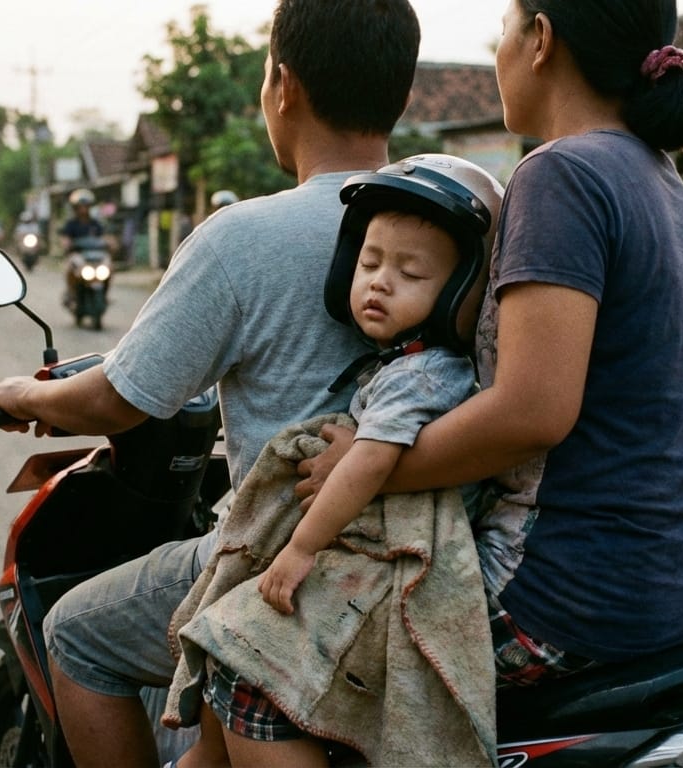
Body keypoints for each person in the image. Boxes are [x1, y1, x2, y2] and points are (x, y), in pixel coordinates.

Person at [0, 2, 421, 765]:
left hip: (276, 550)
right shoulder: (445, 218)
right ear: (403, 93)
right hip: (414, 548)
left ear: (283, 85)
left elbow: (118, 397)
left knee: (74, 634)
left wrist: (24, 395)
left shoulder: (242, 238)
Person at [298, 0, 683, 695]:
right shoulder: (661, 177)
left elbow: (532, 412)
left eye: (503, 30)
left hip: (562, 598)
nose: (498, 51)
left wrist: (366, 467)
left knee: (256, 663)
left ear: (541, 38)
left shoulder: (561, 173)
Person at [171, 156, 503, 768]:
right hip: (366, 551)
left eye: (410, 273)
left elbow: (369, 465)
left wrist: (300, 548)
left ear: (461, 294)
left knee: (244, 658)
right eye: (369, 264)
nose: (379, 283)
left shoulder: (422, 376)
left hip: (385, 561)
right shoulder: (398, 364)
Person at [59, 188, 114, 306]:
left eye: (86, 206)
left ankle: (105, 294)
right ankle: (71, 293)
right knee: (69, 268)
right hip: (78, 255)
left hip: (96, 255)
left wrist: (110, 243)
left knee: (109, 267)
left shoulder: (96, 223)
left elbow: (105, 237)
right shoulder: (71, 224)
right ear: (75, 208)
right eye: (80, 207)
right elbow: (65, 238)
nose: (83, 209)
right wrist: (66, 243)